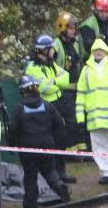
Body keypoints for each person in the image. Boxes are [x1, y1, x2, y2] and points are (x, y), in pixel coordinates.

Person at [8, 75, 71, 208]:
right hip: (47, 147)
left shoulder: (19, 109)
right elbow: (59, 125)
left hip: (28, 150)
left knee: (30, 177)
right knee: (49, 171)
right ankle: (60, 186)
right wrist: (57, 144)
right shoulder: (47, 105)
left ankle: (30, 205)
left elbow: (12, 129)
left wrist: (12, 145)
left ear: (22, 91)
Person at [24, 35, 74, 183]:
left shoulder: (51, 64)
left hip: (58, 103)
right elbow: (45, 88)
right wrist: (56, 83)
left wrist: (55, 81)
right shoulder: (33, 68)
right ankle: (53, 175)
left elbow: (66, 77)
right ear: (45, 50)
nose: (53, 50)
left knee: (60, 138)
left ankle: (61, 171)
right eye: (51, 48)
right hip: (45, 106)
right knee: (50, 141)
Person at [76, 39, 108, 184]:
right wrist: (80, 117)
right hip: (93, 117)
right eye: (95, 49)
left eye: (100, 49)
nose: (98, 52)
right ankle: (107, 173)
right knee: (98, 145)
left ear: (105, 51)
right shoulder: (86, 71)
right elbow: (81, 94)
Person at [54, 11, 88, 164]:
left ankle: (82, 150)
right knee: (70, 121)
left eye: (74, 27)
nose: (74, 30)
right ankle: (71, 152)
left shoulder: (75, 44)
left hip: (77, 88)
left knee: (80, 119)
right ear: (62, 29)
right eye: (71, 28)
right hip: (64, 90)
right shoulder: (56, 45)